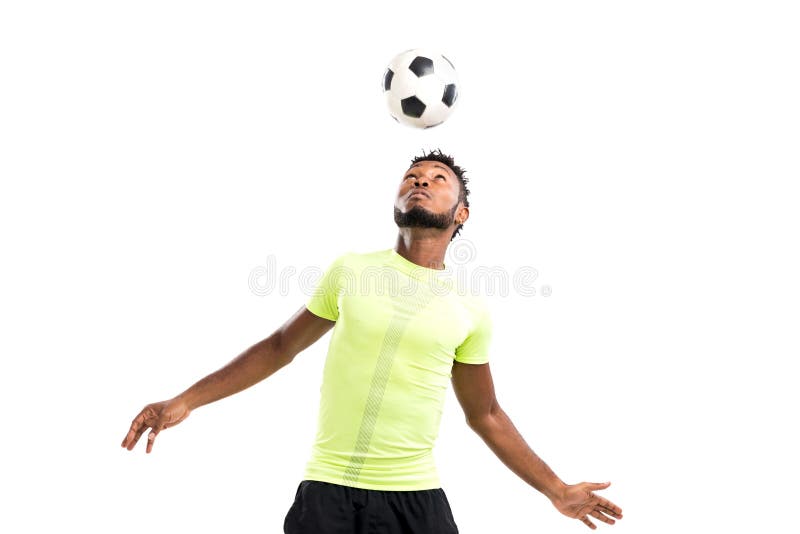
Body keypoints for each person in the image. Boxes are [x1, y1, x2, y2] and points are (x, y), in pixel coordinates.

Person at [121, 149, 623, 533]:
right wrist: (185, 400)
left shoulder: (469, 307)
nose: (421, 181)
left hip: (416, 502)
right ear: (396, 201)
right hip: (327, 496)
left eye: (438, 179)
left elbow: (486, 414)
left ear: (462, 214)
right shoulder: (351, 271)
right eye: (412, 176)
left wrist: (556, 489)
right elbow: (279, 348)